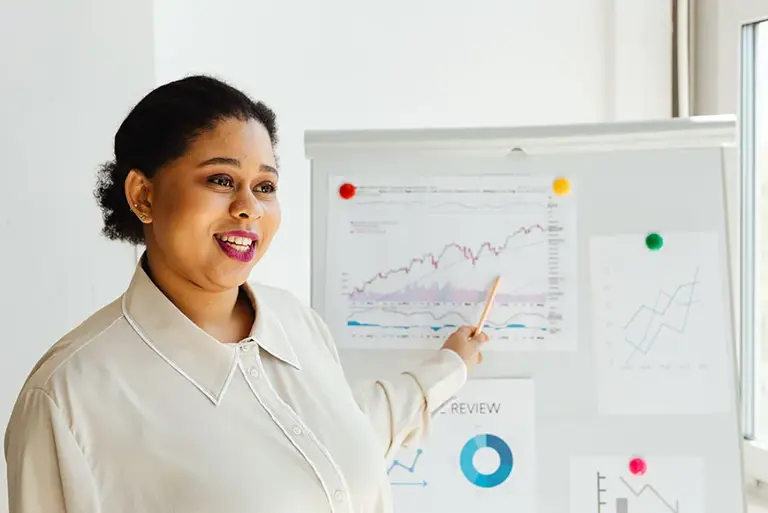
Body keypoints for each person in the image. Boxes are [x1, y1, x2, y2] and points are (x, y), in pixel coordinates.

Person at [3, 75, 489, 513]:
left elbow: (352, 434)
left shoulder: (296, 323)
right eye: (220, 180)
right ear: (143, 196)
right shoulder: (68, 397)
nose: (248, 207)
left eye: (265, 185)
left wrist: (451, 367)